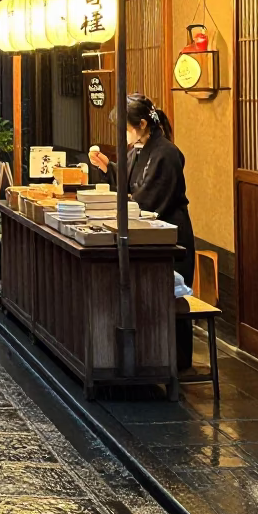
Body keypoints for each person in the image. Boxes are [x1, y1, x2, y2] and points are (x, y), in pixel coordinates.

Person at [88, 94, 196, 370]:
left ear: (143, 124)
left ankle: (175, 361)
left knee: (168, 298)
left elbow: (147, 200)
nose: (123, 134)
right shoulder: (137, 149)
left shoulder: (167, 153)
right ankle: (150, 357)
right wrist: (107, 167)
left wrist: (124, 209)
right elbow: (128, 181)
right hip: (148, 234)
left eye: (126, 128)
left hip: (170, 238)